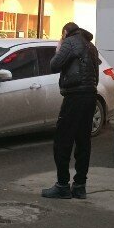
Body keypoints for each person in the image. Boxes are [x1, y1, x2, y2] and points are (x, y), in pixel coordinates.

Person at [41, 22, 101, 200]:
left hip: (74, 96)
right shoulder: (91, 46)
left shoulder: (69, 42)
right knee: (83, 141)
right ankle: (80, 186)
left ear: (65, 32)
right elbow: (96, 75)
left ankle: (62, 186)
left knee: (62, 141)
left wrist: (59, 49)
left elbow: (54, 65)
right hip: (90, 95)